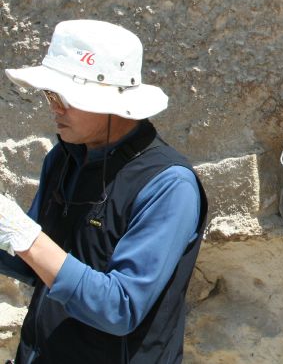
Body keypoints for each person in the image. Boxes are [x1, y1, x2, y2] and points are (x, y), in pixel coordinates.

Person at [0, 19, 208, 363]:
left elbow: (121, 307)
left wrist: (24, 236)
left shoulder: (169, 184)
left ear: (108, 99)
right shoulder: (66, 156)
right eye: (48, 94)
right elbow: (34, 264)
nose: (53, 106)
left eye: (62, 96)